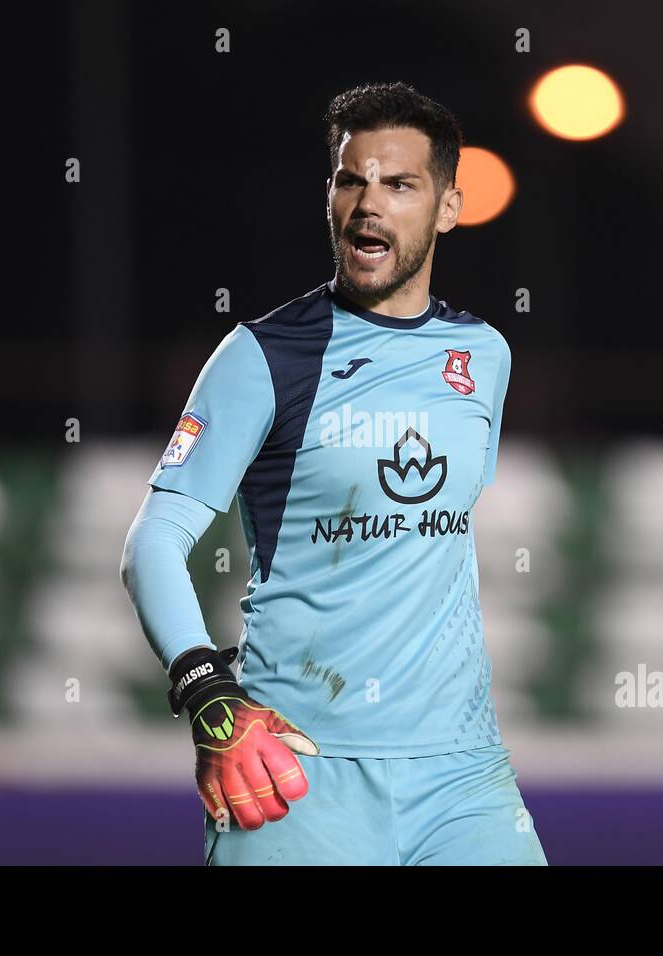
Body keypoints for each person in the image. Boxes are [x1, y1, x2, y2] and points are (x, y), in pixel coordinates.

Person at [121, 81, 546, 865]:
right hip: (298, 771)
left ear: (448, 208)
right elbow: (152, 544)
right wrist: (208, 696)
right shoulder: (261, 357)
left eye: (399, 184)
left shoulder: (484, 356)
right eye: (351, 180)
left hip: (463, 777)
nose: (368, 204)